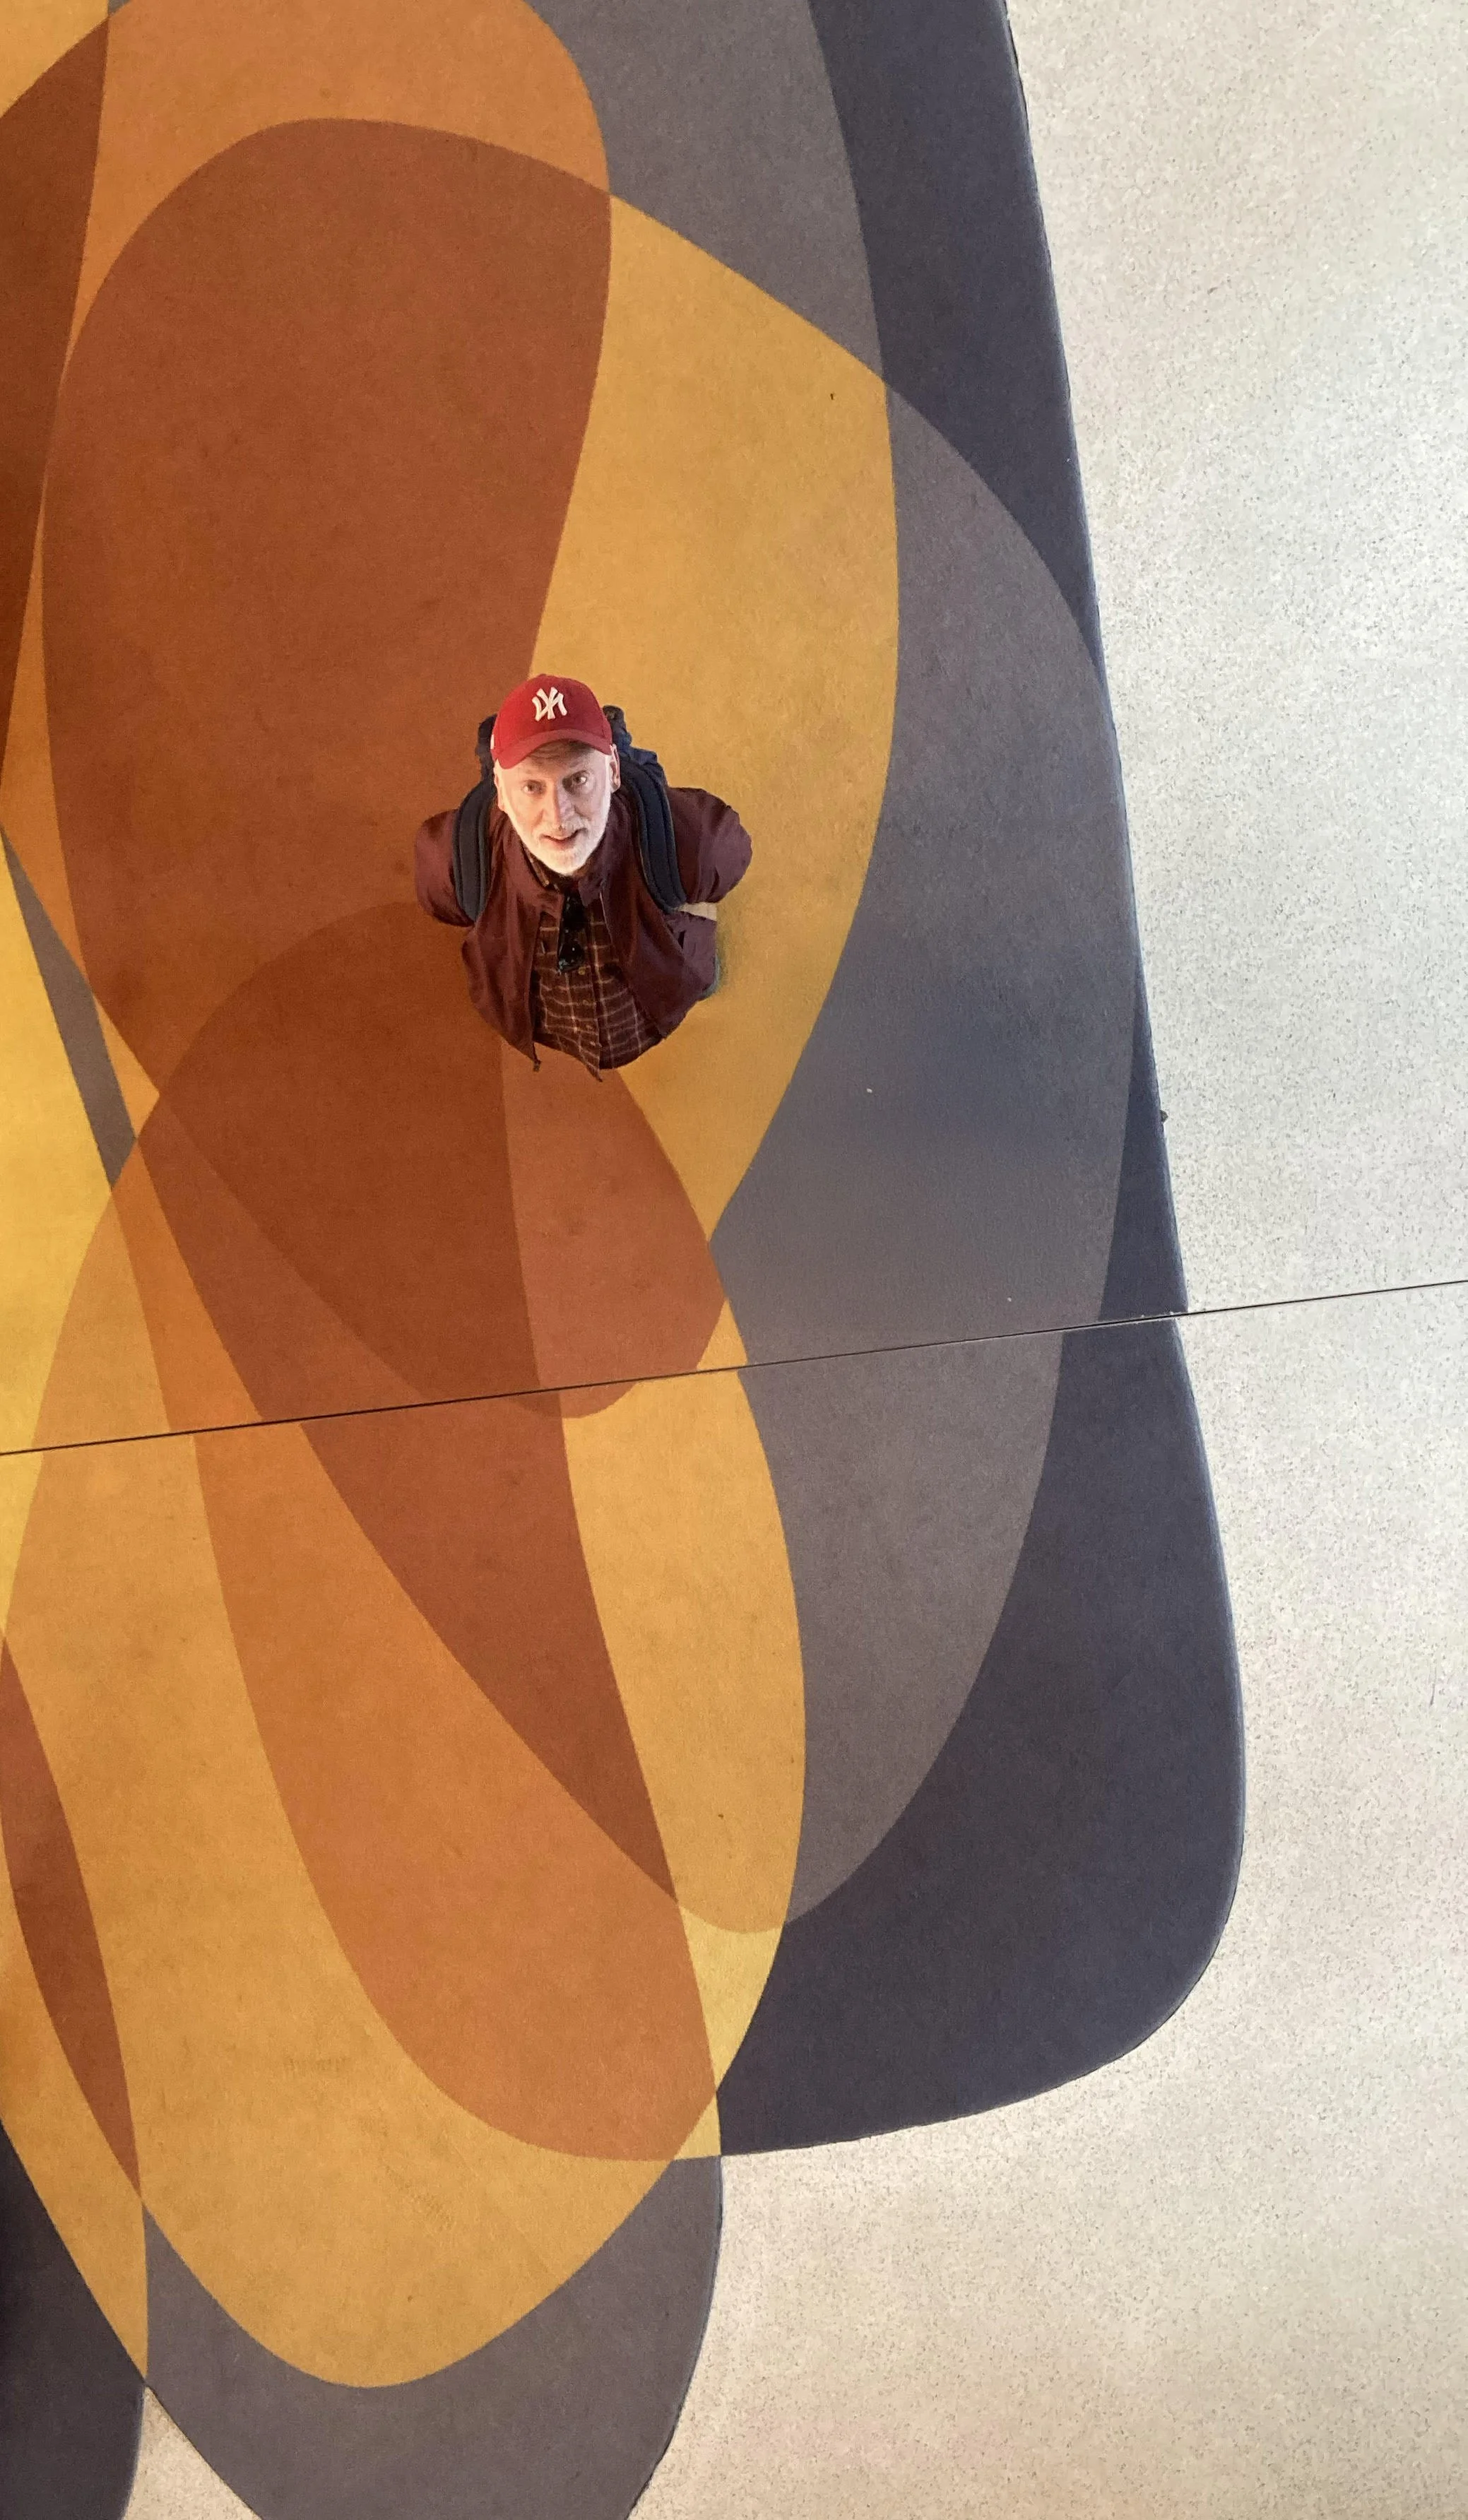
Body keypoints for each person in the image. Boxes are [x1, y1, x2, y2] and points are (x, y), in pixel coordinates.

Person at [413, 674, 752, 1076]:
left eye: (578, 779)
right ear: (500, 792)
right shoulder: (453, 864)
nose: (559, 818)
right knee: (700, 978)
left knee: (699, 979)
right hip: (567, 1023)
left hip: (593, 1017)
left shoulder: (698, 842)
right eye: (532, 788)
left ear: (612, 771)